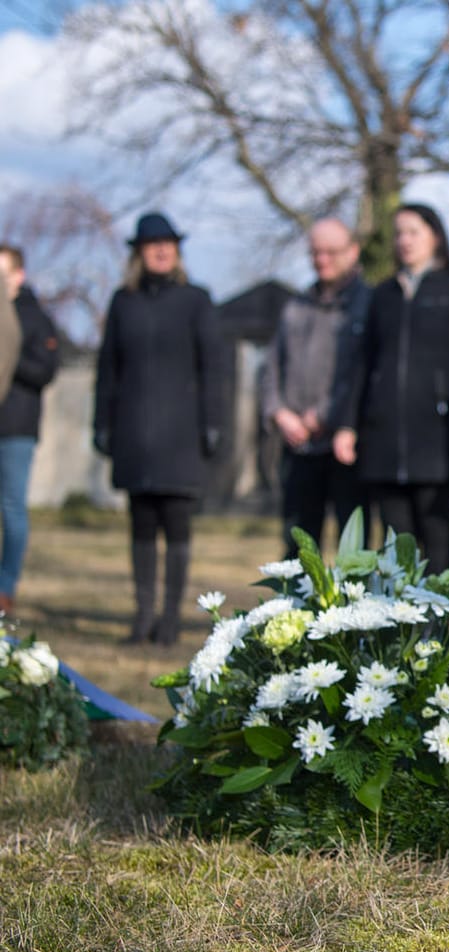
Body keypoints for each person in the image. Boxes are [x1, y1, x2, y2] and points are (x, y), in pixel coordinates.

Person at [94, 213, 229, 646]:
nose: (161, 250)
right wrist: (101, 423)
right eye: (153, 244)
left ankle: (170, 618)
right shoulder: (123, 302)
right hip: (134, 430)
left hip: (181, 433)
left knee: (176, 524)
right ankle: (142, 615)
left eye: (168, 243)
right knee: (141, 524)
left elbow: (215, 368)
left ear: (177, 250)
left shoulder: (196, 300)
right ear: (139, 252)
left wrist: (213, 422)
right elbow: (107, 370)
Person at [333, 204, 449, 572]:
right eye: (399, 233)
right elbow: (363, 364)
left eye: (413, 231)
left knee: (436, 532)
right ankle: (399, 626)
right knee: (395, 540)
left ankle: (439, 622)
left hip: (440, 438)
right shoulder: (382, 295)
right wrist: (347, 425)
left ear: (435, 236)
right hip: (384, 438)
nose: (404, 240)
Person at [260, 219, 370, 556]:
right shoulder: (296, 306)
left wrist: (324, 415)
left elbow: (361, 372)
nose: (322, 260)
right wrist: (279, 413)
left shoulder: (369, 304)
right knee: (297, 547)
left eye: (331, 252)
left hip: (345, 446)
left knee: (353, 550)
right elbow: (270, 366)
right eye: (315, 252)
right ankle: (297, 609)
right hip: (297, 445)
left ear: (353, 252)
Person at [0, 245, 61, 617]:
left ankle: (5, 586)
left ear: (19, 276)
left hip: (16, 427)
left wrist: (8, 352)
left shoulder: (33, 316)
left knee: (11, 508)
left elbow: (44, 370)